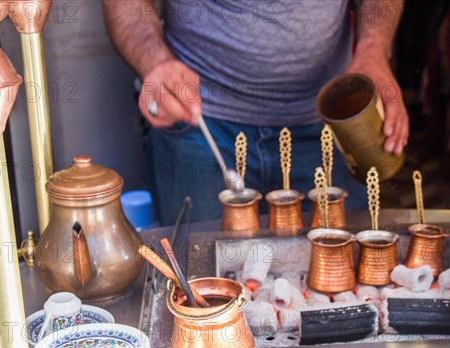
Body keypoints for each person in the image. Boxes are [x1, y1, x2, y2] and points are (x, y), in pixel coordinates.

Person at [103, 0, 409, 225]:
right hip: (198, 124)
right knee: (201, 282)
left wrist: (374, 48)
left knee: (337, 286)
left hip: (327, 125)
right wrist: (153, 60)